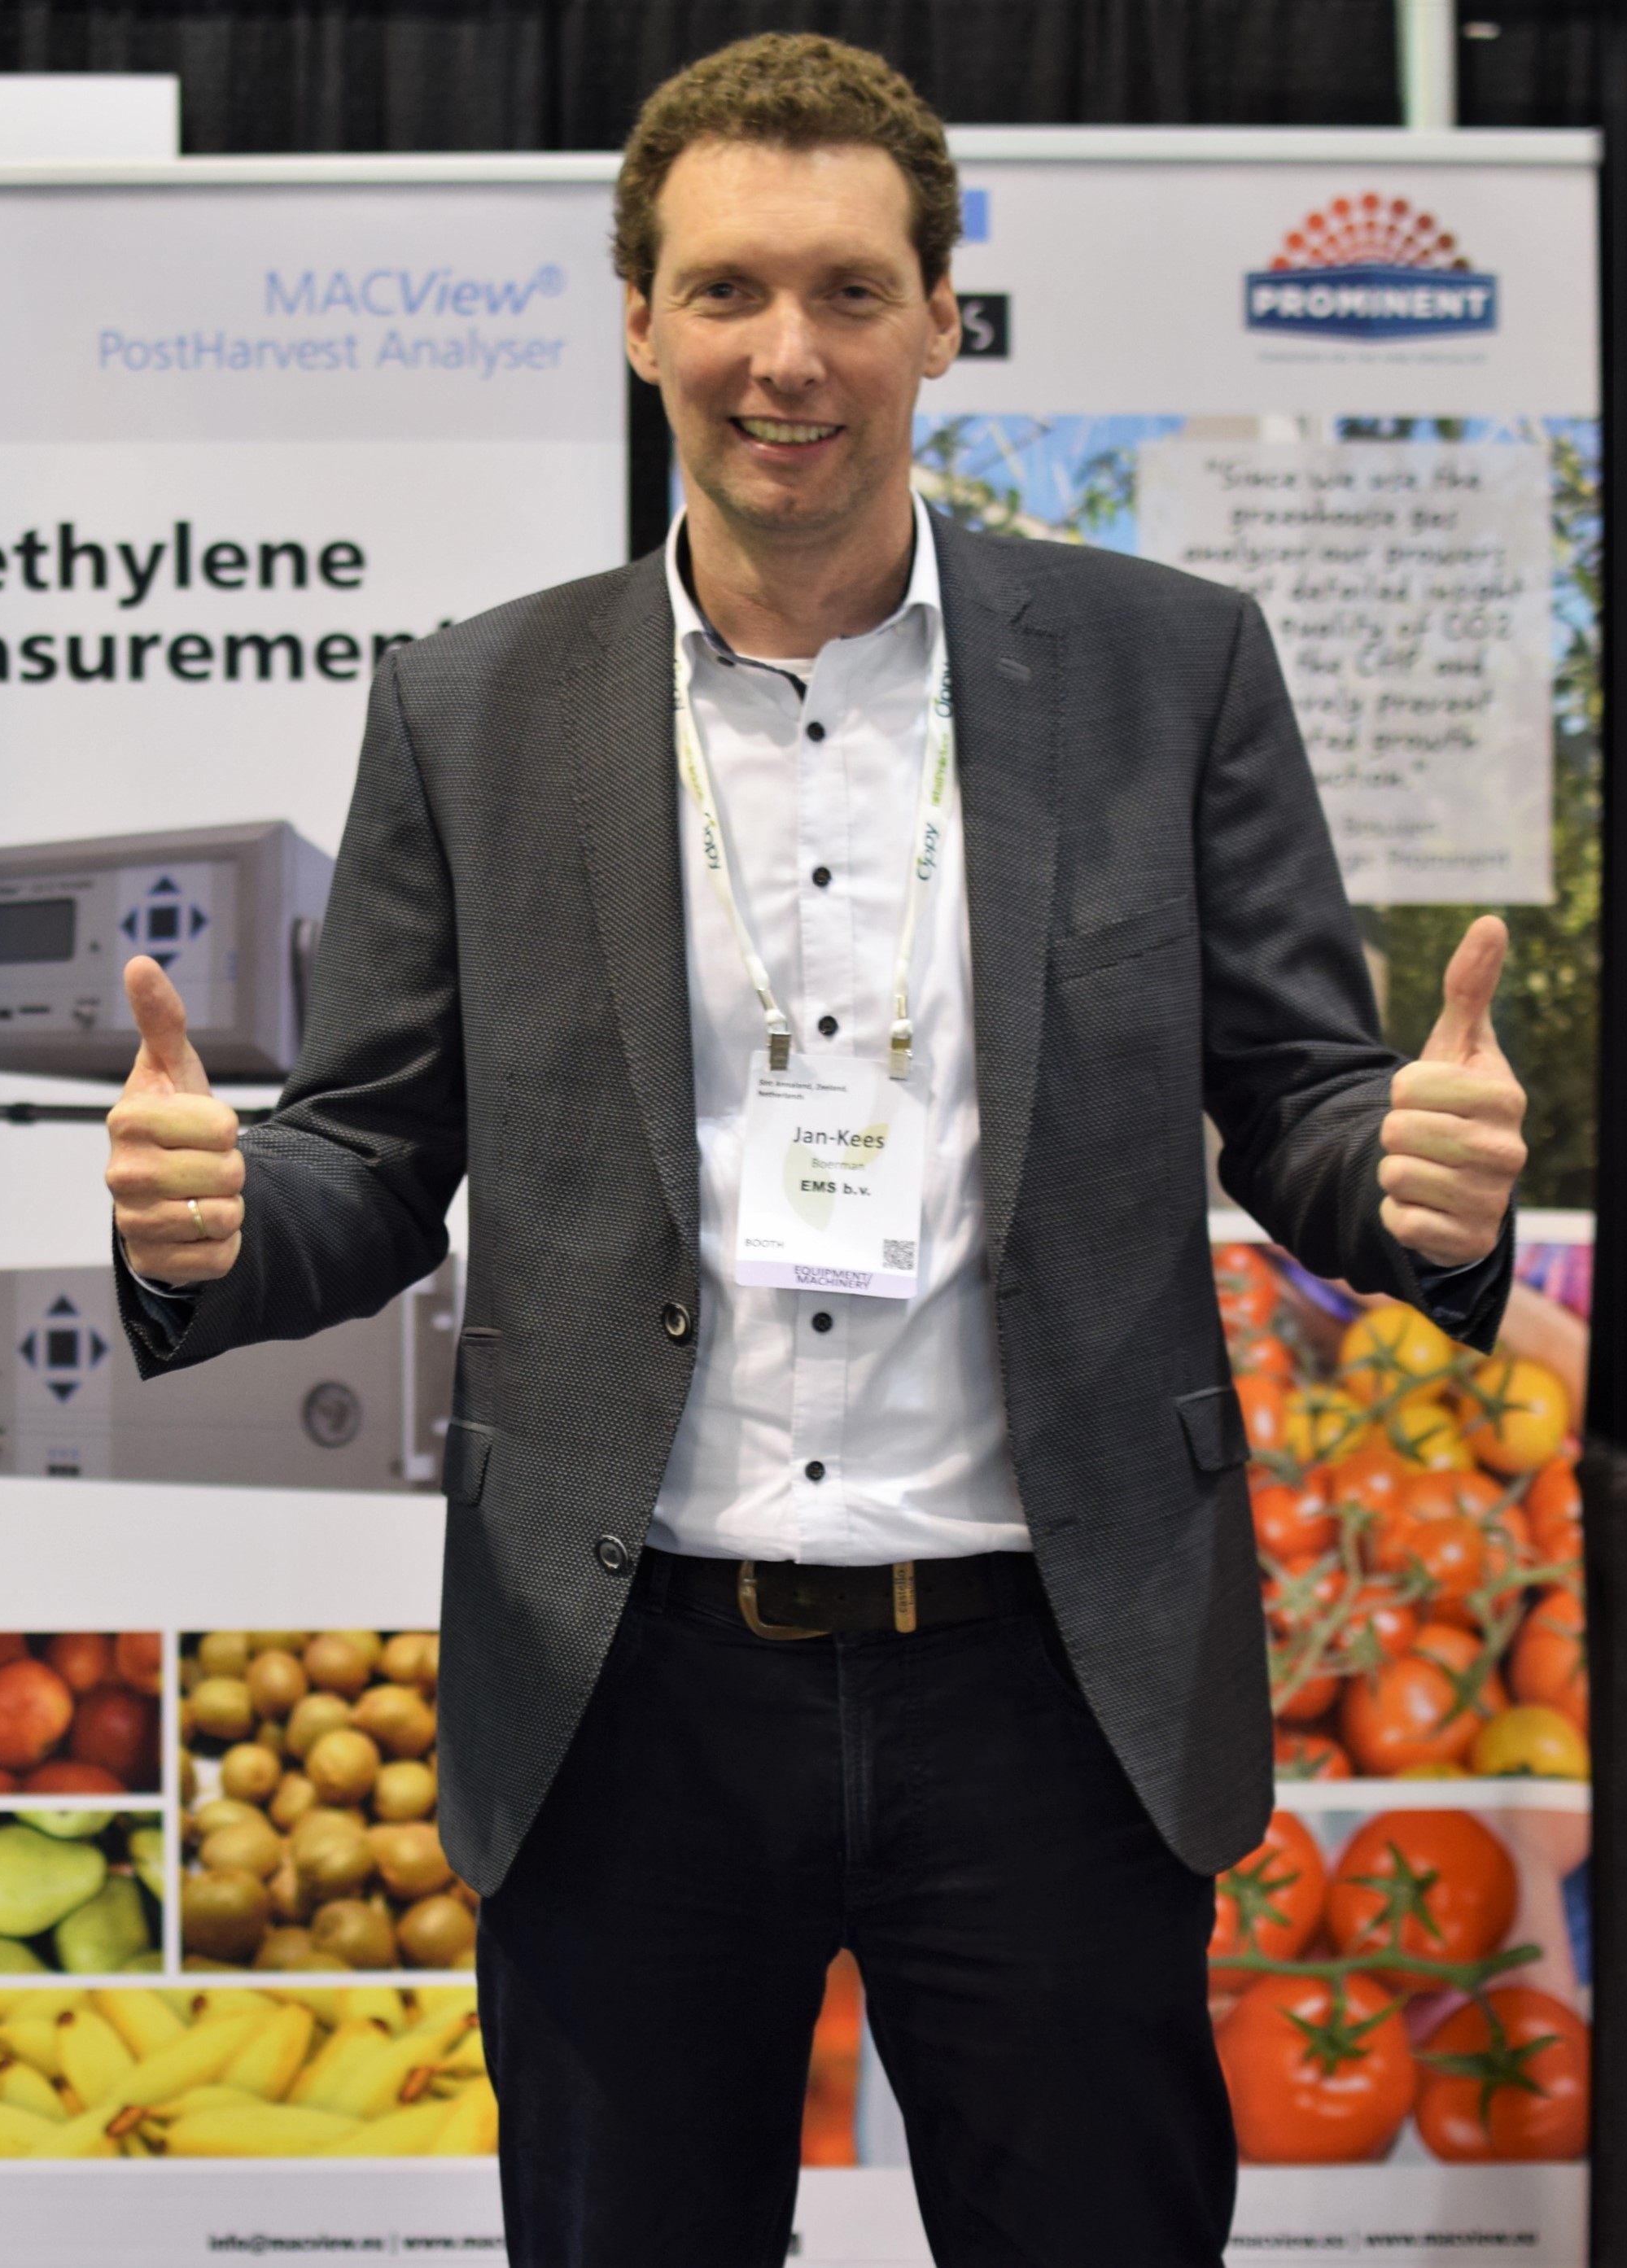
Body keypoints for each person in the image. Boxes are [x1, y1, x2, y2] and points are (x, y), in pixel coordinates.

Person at [103, 34, 1528, 2266]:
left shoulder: (1166, 670)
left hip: (1056, 1677)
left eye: (851, 291)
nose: (788, 354)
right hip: (625, 1682)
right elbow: (369, 1157)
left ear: (941, 319)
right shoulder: (471, 710)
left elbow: (1296, 1093)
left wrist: (1406, 1175)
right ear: (638, 321)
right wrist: (213, 1223)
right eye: (728, 291)